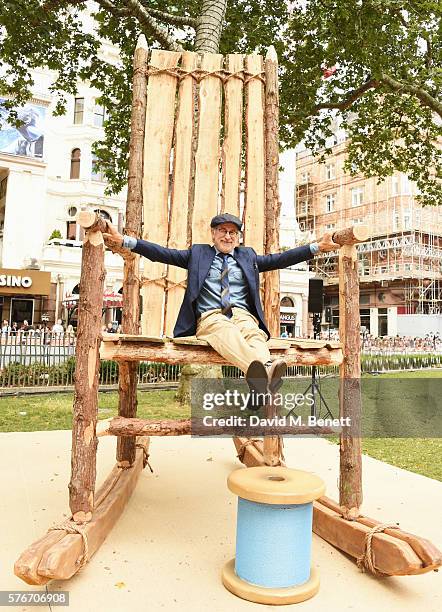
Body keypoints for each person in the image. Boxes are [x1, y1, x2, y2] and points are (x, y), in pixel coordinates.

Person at [103, 213, 338, 406]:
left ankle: (260, 381)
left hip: (243, 315)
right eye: (223, 231)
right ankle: (263, 378)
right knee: (226, 331)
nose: (228, 236)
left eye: (233, 232)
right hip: (211, 316)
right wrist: (124, 241)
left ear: (238, 237)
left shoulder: (248, 256)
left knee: (254, 335)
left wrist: (317, 247)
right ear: (213, 234)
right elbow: (161, 253)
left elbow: (281, 259)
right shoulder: (198, 254)